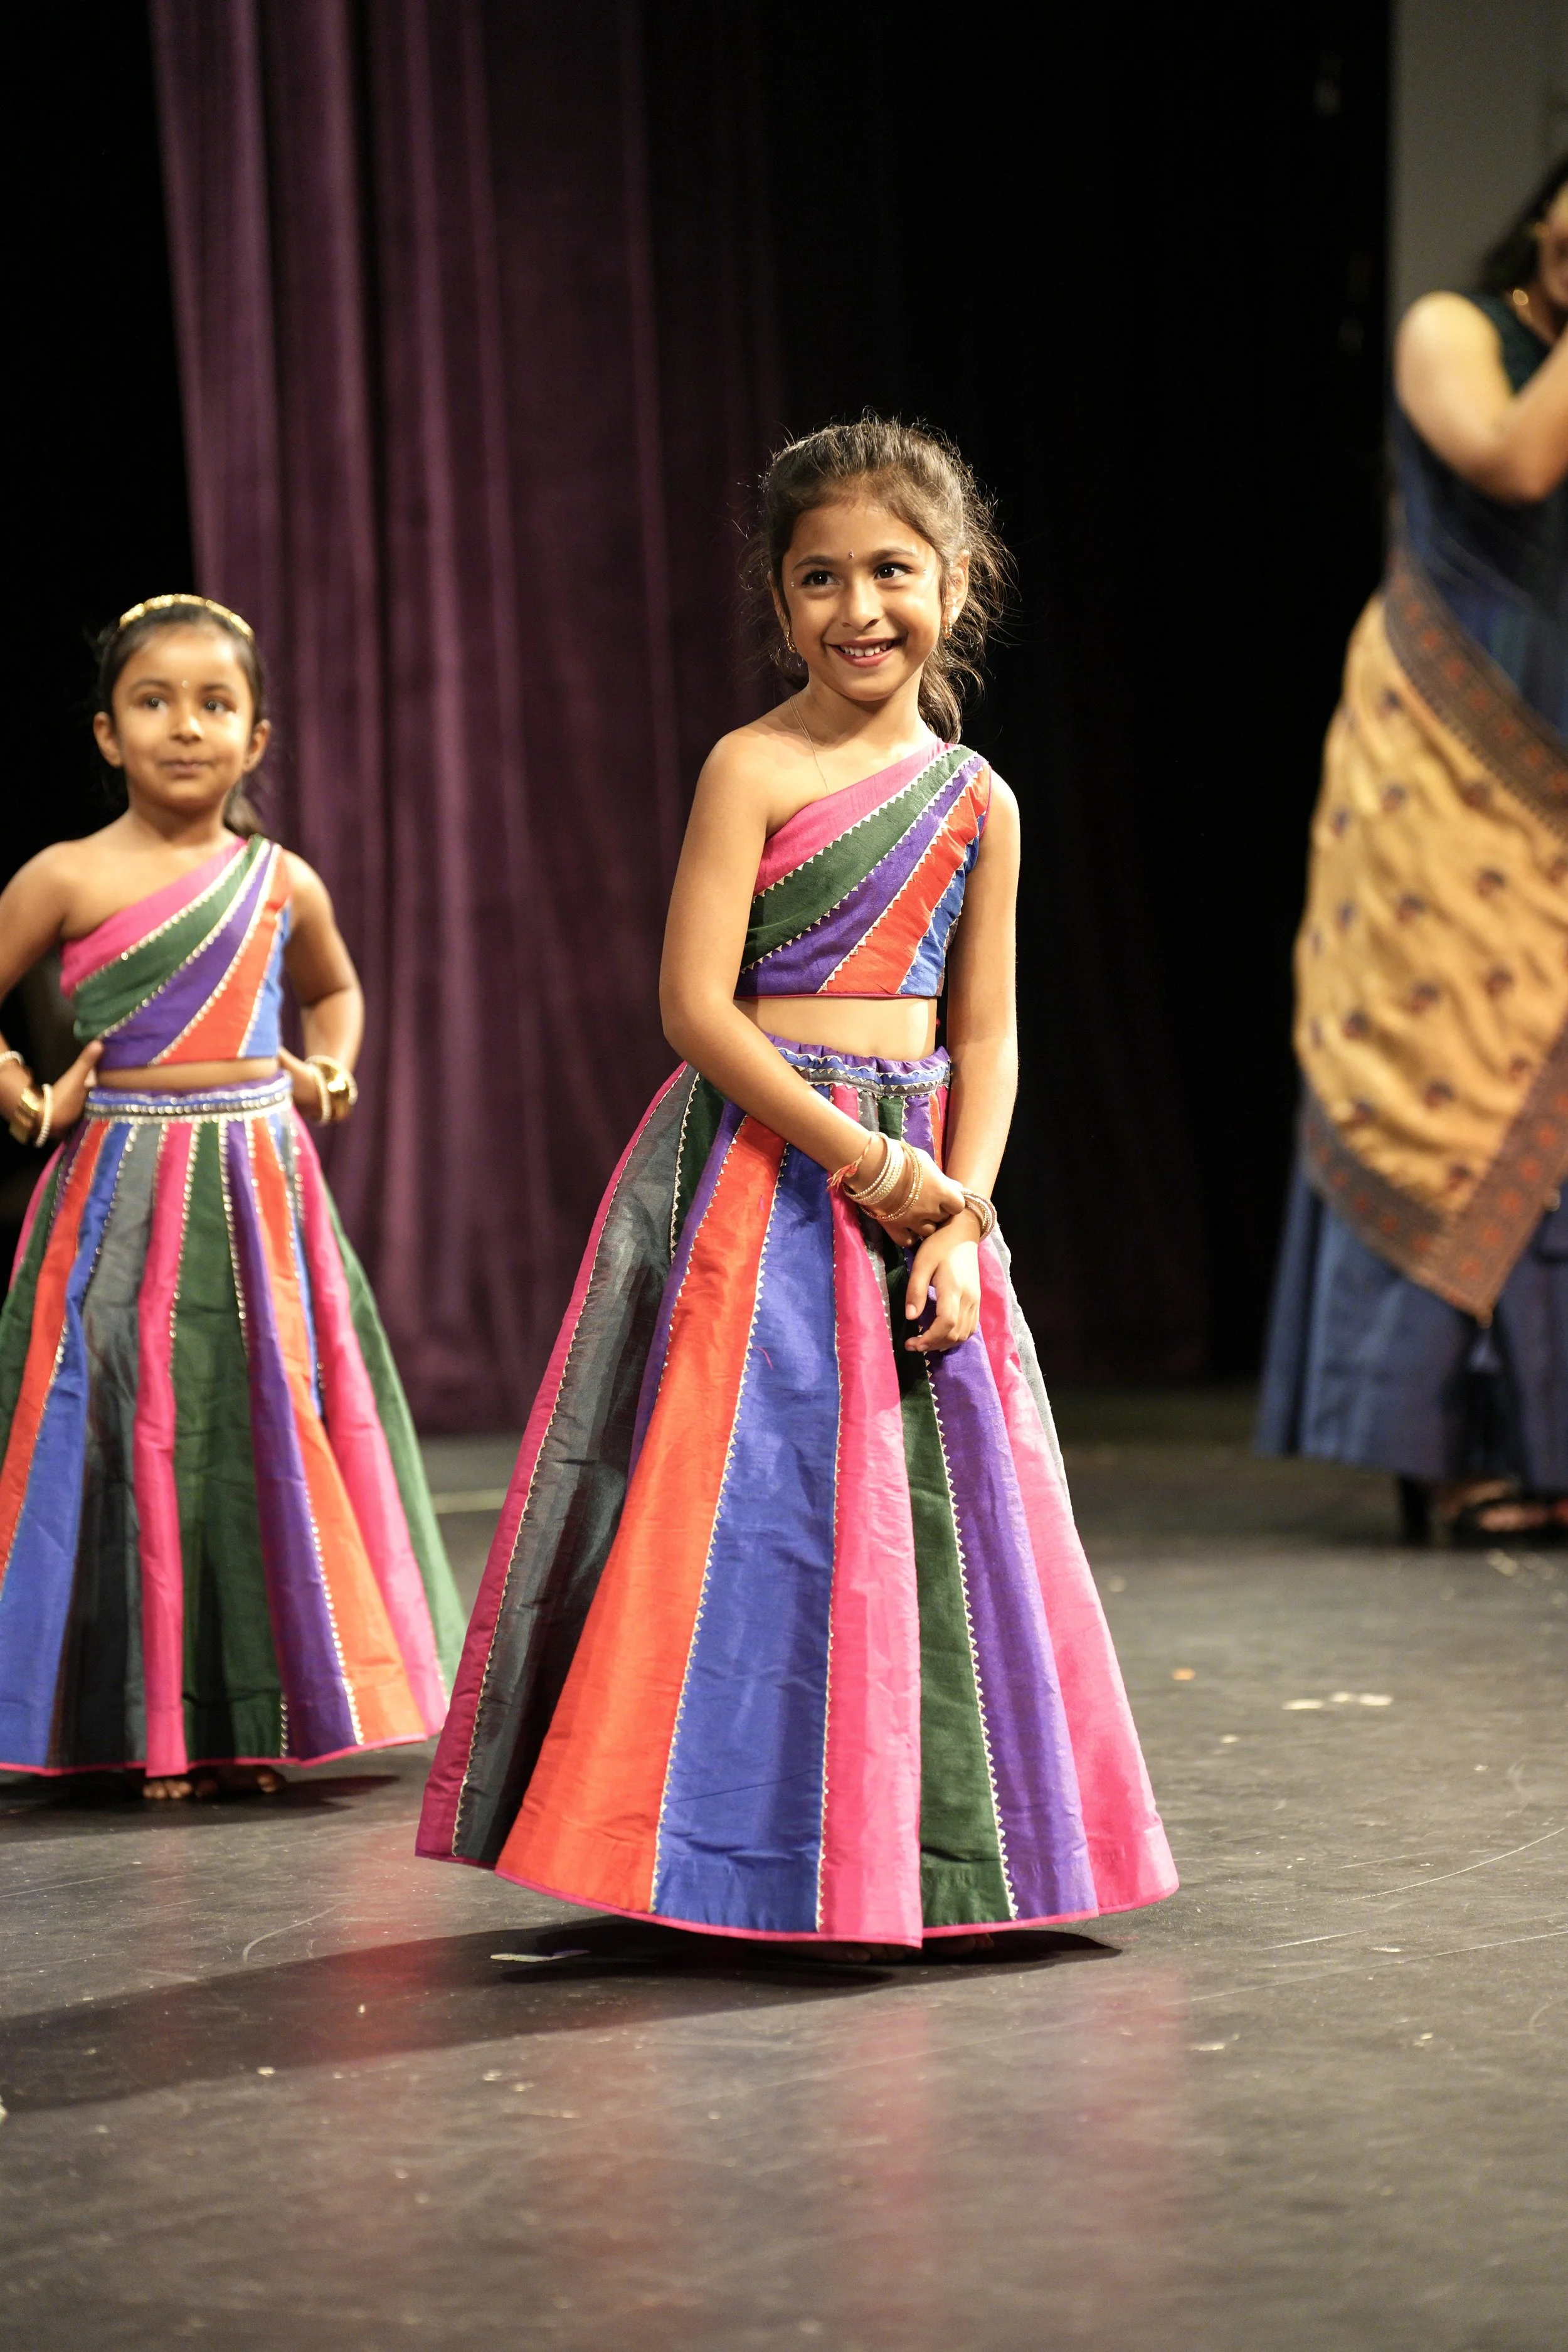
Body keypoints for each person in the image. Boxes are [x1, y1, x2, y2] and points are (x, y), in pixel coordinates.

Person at [419, 418, 1176, 1951]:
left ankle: (920, 1858)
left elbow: (989, 1030)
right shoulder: (748, 768)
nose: (856, 608)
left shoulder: (978, 800)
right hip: (761, 1181)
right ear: (778, 601)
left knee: (928, 1525)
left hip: (920, 1192)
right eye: (818, 576)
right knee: (745, 1514)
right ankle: (721, 1855)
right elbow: (698, 1010)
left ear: (955, 585)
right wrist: (869, 1161)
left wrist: (956, 1213)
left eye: (890, 571)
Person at [0, 596, 464, 1794]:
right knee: (133, 1431)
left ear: (257, 738)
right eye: (155, 703)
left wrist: (335, 1062)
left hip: (260, 1193)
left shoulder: (279, 881)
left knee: (255, 1430)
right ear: (108, 733)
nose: (186, 728)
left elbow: (338, 992)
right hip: (119, 1190)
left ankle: (257, 1715)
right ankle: (142, 1715)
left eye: (216, 705)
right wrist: (24, 1084)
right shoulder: (65, 875)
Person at [1259, 160, 1568, 1543]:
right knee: (1452, 1076)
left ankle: (1543, 1445)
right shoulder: (1452, 326)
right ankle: (1450, 1447)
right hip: (1447, 754)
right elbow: (1512, 458)